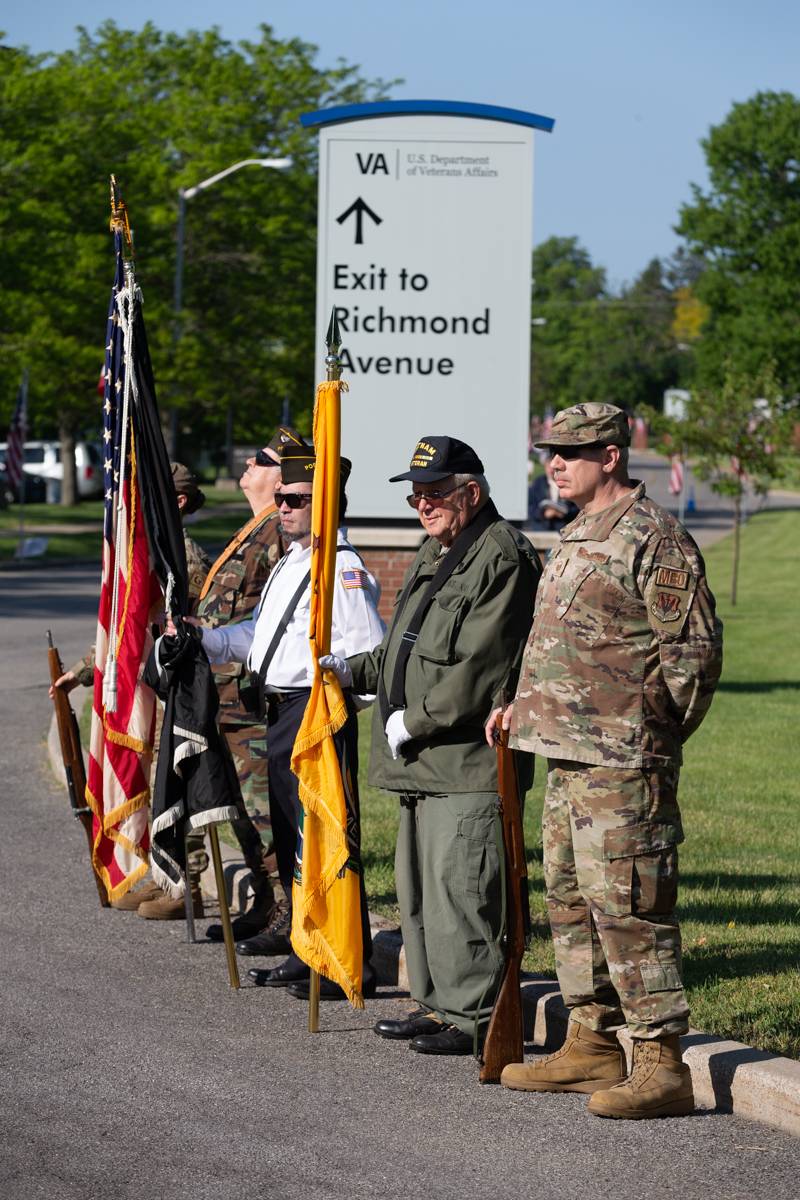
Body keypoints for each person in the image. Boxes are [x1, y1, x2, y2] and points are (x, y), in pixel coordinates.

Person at [492, 403, 723, 1119]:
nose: (553, 462)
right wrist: (523, 708)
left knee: (629, 906)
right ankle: (590, 1041)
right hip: (567, 758)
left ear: (612, 456)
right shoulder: (577, 533)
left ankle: (661, 1061)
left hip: (623, 762)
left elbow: (694, 654)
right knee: (571, 903)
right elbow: (564, 643)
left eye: (569, 451)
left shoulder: (654, 537)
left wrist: (651, 732)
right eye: (549, 451)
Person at [324, 436, 541, 1054]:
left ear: (471, 492)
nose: (423, 504)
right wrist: (350, 670)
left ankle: (474, 1016)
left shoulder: (503, 557)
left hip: (465, 759)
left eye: (435, 492)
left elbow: (478, 667)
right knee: (421, 894)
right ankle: (438, 1003)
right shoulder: (437, 549)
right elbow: (407, 647)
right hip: (421, 763)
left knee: (464, 892)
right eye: (417, 494)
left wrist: (411, 721)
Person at [197, 443, 385, 998]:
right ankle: (309, 945)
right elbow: (261, 636)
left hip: (314, 712)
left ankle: (345, 956)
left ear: (327, 501)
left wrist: (332, 689)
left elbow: (366, 654)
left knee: (322, 838)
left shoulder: (340, 567)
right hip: (279, 709)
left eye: (298, 499)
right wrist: (205, 642)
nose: (284, 507)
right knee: (292, 838)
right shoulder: (291, 560)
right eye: (281, 497)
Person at [528, 454, 578, 530]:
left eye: (553, 468)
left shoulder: (568, 482)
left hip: (564, 528)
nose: (551, 470)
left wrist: (564, 514)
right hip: (542, 529)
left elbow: (577, 507)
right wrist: (544, 513)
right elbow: (530, 507)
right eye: (548, 467)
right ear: (545, 467)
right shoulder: (538, 483)